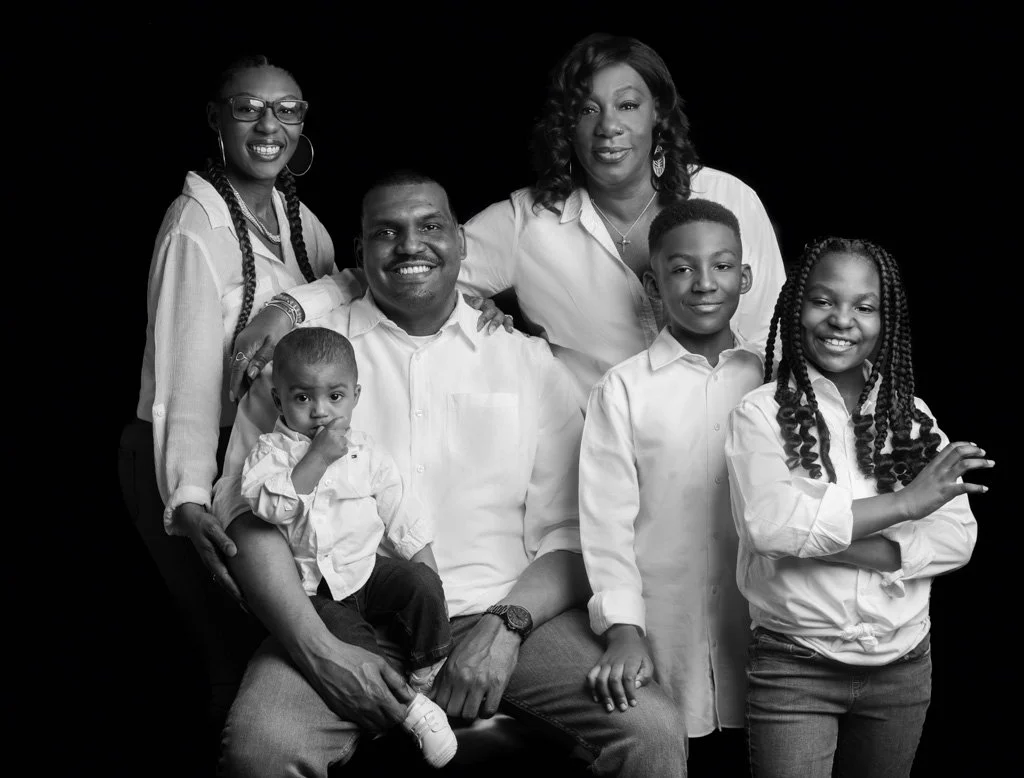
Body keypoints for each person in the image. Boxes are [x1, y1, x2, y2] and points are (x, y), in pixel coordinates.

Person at [211, 171, 688, 776]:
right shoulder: (303, 364)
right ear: (361, 253)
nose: (411, 246)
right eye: (387, 232)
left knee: (649, 729)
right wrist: (320, 650)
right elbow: (246, 522)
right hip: (344, 618)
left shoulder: (524, 360)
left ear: (462, 246)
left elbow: (574, 530)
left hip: (503, 612)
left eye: (430, 227)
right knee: (263, 747)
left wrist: (506, 627)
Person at [118, 55, 352, 741]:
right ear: (216, 119)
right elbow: (183, 378)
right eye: (248, 107)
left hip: (258, 459)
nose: (269, 125)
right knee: (231, 658)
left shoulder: (295, 215)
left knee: (265, 650)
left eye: (287, 109)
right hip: (181, 458)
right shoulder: (198, 225)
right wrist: (187, 499)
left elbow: (346, 287)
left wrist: (282, 306)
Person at [725, 237, 991, 777]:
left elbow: (957, 539)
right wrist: (906, 504)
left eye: (863, 307)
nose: (842, 320)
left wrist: (823, 543)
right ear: (796, 306)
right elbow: (770, 528)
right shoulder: (759, 414)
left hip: (904, 666)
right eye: (823, 301)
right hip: (795, 665)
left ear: (884, 319)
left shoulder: (911, 415)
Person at [457, 33, 786, 408]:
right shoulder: (527, 222)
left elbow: (771, 337)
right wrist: (470, 314)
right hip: (588, 452)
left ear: (658, 112)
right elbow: (414, 276)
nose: (608, 127)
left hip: (730, 441)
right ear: (566, 124)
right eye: (587, 109)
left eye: (627, 105)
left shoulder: (728, 198)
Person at [579, 199, 763, 765]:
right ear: (652, 279)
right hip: (667, 637)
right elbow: (605, 523)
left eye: (723, 266)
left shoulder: (774, 380)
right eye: (682, 268)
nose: (705, 284)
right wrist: (623, 628)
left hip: (766, 642)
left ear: (745, 276)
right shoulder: (623, 390)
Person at [241, 325, 457, 767]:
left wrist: (424, 566)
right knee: (355, 644)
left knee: (421, 584)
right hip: (314, 590)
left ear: (355, 395)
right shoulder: (270, 453)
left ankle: (424, 676)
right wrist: (316, 459)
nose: (320, 411)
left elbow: (400, 508)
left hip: (365, 572)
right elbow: (269, 509)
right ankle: (404, 710)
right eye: (303, 398)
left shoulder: (367, 451)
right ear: (279, 399)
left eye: (335, 397)